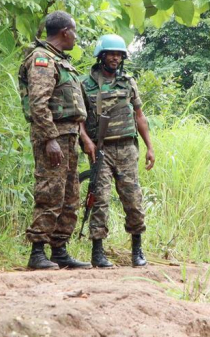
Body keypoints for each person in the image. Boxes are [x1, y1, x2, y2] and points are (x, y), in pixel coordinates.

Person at [17, 10, 91, 270]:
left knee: (70, 195)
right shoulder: (42, 59)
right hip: (53, 136)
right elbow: (39, 103)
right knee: (50, 192)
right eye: (75, 31)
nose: (76, 37)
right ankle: (37, 252)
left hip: (68, 136)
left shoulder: (61, 61)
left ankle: (59, 249)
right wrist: (50, 138)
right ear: (65, 32)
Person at [80, 34, 155, 268]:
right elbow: (78, 120)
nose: (115, 58)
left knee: (133, 200)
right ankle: (97, 252)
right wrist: (86, 142)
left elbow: (139, 116)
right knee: (99, 200)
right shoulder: (86, 84)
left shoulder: (129, 82)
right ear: (101, 56)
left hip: (126, 148)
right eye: (111, 53)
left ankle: (137, 250)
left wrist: (150, 147)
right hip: (100, 150)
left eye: (119, 54)